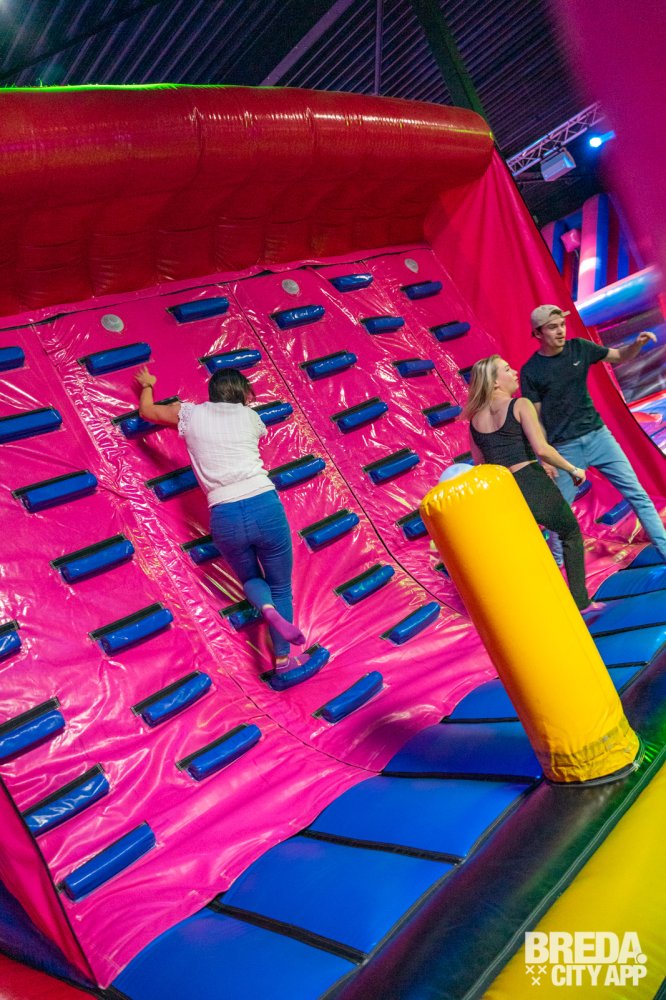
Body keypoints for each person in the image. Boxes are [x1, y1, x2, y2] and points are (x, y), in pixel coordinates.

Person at [134, 365, 310, 676]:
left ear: (212, 392)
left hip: (224, 514)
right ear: (243, 394)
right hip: (263, 503)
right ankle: (283, 659)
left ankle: (265, 607)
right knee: (281, 586)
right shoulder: (251, 418)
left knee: (250, 579)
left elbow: (147, 412)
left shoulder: (188, 413)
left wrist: (148, 385)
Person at [520, 305, 666, 562]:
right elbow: (537, 418)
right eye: (553, 327)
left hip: (599, 437)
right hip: (564, 448)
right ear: (538, 333)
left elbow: (618, 356)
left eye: (562, 325)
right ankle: (558, 564)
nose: (561, 331)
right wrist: (546, 456)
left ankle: (664, 549)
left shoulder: (579, 348)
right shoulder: (531, 371)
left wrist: (637, 344)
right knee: (561, 513)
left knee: (637, 494)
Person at [464, 354, 593, 610]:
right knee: (569, 532)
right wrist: (573, 469)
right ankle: (580, 602)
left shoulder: (474, 421)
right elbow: (542, 449)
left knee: (527, 549)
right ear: (495, 381)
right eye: (507, 369)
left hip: (503, 492)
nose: (514, 372)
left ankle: (537, 605)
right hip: (531, 482)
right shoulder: (520, 404)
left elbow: (480, 465)